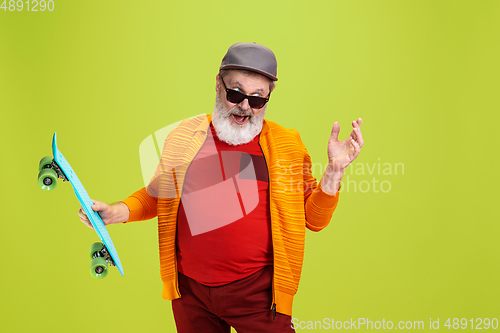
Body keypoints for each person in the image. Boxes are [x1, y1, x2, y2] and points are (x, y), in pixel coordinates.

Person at [78, 42, 364, 332]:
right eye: (235, 93)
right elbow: (158, 195)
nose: (244, 107)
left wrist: (333, 171)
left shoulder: (286, 145)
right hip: (191, 294)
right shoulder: (184, 137)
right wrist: (116, 212)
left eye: (257, 99)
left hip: (259, 297)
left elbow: (314, 220)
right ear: (218, 84)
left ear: (269, 97)